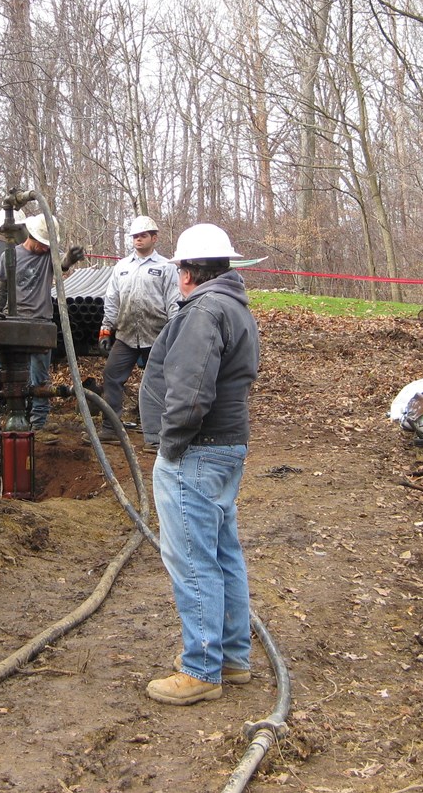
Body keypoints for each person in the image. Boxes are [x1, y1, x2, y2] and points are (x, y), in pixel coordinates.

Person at [138, 223, 260, 706]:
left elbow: (189, 394)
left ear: (187, 272)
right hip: (224, 447)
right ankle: (231, 656)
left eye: (178, 270)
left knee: (192, 558)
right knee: (221, 552)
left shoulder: (204, 312)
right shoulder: (234, 306)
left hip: (197, 450)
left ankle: (202, 668)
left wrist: (170, 447)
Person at [0, 212, 83, 443]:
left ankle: (38, 424)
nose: (45, 248)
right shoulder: (10, 256)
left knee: (40, 378)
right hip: (15, 324)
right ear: (31, 236)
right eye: (42, 243)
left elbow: (63, 263)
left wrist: (70, 256)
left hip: (40, 324)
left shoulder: (49, 257)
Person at [96, 215, 179, 443]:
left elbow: (173, 300)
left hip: (157, 335)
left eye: (143, 235)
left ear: (154, 237)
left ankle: (158, 436)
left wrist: (175, 332)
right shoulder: (122, 267)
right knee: (111, 376)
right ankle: (111, 429)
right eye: (135, 236)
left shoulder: (166, 267)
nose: (138, 240)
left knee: (159, 383)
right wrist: (106, 329)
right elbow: (112, 299)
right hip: (126, 335)